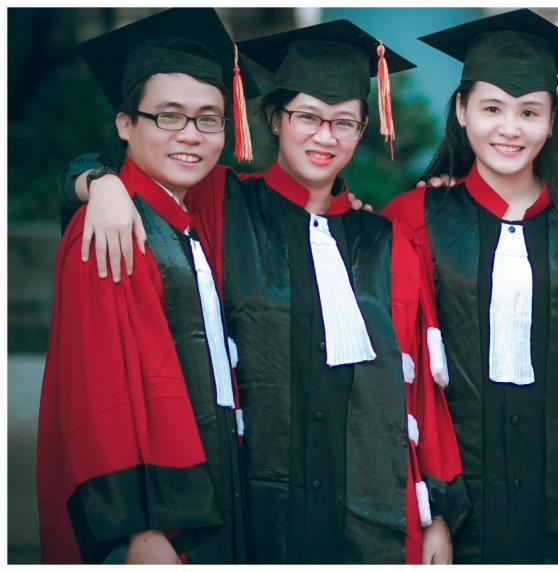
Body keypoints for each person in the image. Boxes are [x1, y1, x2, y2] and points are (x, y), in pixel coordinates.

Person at [56, 19, 467, 564]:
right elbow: (152, 175)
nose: (325, 136)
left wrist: (436, 513)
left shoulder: (388, 242)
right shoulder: (223, 203)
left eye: (344, 122)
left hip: (372, 518)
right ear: (274, 118)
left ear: (364, 128)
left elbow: (421, 392)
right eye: (307, 117)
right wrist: (94, 181)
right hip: (253, 517)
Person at [381, 9, 558, 564]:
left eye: (529, 112)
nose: (510, 129)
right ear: (462, 111)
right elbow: (396, 381)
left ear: (552, 120)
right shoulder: (414, 218)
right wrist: (431, 510)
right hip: (461, 495)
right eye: (492, 108)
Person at [37, 8, 261, 564]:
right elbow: (99, 397)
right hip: (158, 524)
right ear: (124, 124)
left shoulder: (198, 212)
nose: (191, 135)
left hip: (213, 492)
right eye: (169, 116)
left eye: (209, 119)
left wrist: (90, 178)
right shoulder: (111, 232)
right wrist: (139, 533)